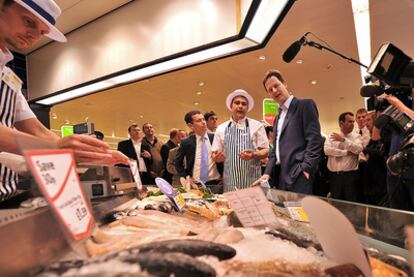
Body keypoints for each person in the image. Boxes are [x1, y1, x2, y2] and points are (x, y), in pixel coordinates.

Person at [0, 0, 128, 200]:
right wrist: (54, 148)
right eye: (29, 22)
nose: (34, 36)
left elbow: (37, 130)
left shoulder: (9, 77)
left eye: (42, 32)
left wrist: (91, 154)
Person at [257, 70, 322, 194]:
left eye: (276, 86)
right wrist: (267, 173)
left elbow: (314, 140)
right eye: (270, 90)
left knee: (301, 212)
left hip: (299, 176)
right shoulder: (277, 118)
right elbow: (273, 150)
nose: (274, 91)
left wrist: (306, 169)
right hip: (280, 178)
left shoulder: (305, 105)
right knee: (285, 213)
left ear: (284, 84)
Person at [212, 89, 268, 192]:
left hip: (252, 181)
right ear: (231, 106)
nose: (240, 106)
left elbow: (266, 151)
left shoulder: (257, 126)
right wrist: (217, 158)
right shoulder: (221, 128)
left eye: (244, 104)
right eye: (237, 103)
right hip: (230, 182)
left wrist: (254, 154)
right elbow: (214, 155)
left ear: (247, 108)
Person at [175, 110, 223, 193]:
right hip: (196, 185)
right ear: (191, 126)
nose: (203, 122)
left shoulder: (215, 138)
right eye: (198, 121)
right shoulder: (186, 142)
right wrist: (186, 177)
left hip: (216, 183)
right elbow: (177, 162)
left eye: (203, 119)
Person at [324, 112, 364, 201]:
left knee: (351, 203)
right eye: (350, 122)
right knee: (336, 204)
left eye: (353, 122)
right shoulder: (332, 136)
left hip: (351, 177)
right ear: (341, 123)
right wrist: (346, 153)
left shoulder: (356, 136)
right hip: (335, 177)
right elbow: (327, 151)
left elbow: (358, 149)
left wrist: (343, 140)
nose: (353, 124)